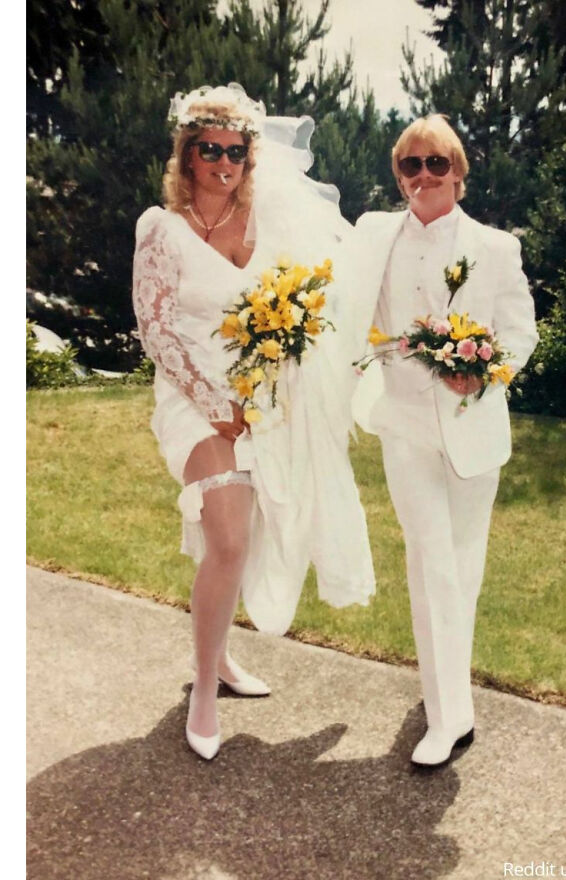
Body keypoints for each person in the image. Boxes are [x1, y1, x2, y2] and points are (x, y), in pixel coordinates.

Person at [132, 84, 375, 760]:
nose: (222, 162)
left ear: (249, 156)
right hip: (192, 399)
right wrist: (214, 404)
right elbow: (155, 330)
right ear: (186, 154)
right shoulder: (161, 228)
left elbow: (310, 298)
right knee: (232, 535)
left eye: (234, 151)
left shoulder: (269, 226)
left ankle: (222, 654)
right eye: (208, 149)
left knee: (240, 533)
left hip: (260, 396)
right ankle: (205, 689)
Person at [352, 115, 538, 766]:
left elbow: (519, 332)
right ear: (398, 176)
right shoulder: (373, 237)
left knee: (464, 571)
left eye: (436, 164)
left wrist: (485, 375)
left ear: (458, 174)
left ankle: (446, 684)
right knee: (431, 566)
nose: (423, 176)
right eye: (411, 165)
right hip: (403, 425)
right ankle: (447, 716)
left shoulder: (496, 247)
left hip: (473, 430)